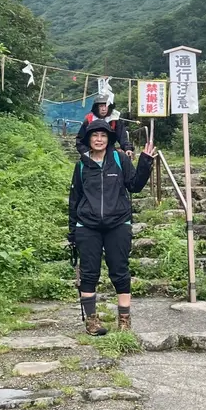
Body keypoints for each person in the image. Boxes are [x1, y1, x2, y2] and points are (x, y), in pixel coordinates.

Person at [68, 119, 156, 334]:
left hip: (118, 223)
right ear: (88, 139)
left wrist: (145, 163)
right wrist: (73, 231)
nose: (99, 139)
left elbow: (134, 186)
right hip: (87, 225)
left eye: (103, 135)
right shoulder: (81, 165)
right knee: (89, 274)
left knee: (120, 271)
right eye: (95, 135)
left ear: (109, 139)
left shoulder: (118, 159)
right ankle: (91, 321)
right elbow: (74, 199)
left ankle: (124, 321)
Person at [76, 91, 133, 158]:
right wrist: (86, 152)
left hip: (110, 153)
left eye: (106, 106)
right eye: (101, 106)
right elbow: (80, 140)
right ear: (96, 107)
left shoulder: (114, 120)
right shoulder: (89, 120)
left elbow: (123, 137)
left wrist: (128, 148)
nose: (104, 109)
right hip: (91, 153)